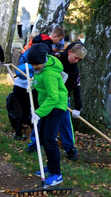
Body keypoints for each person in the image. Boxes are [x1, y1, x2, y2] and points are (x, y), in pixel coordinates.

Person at [27, 43, 68, 187]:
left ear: (43, 61)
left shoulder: (49, 73)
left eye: (36, 64)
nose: (34, 67)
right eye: (32, 64)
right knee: (43, 138)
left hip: (55, 107)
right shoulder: (41, 69)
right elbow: (39, 83)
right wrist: (31, 85)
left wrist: (38, 113)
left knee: (49, 138)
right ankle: (50, 167)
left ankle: (56, 174)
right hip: (46, 106)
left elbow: (53, 98)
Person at [54, 42, 87, 161]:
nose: (77, 61)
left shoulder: (75, 70)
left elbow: (76, 87)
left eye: (79, 59)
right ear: (69, 52)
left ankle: (70, 149)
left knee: (65, 123)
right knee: (42, 120)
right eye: (76, 58)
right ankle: (34, 143)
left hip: (63, 99)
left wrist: (78, 107)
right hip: (49, 97)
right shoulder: (56, 60)